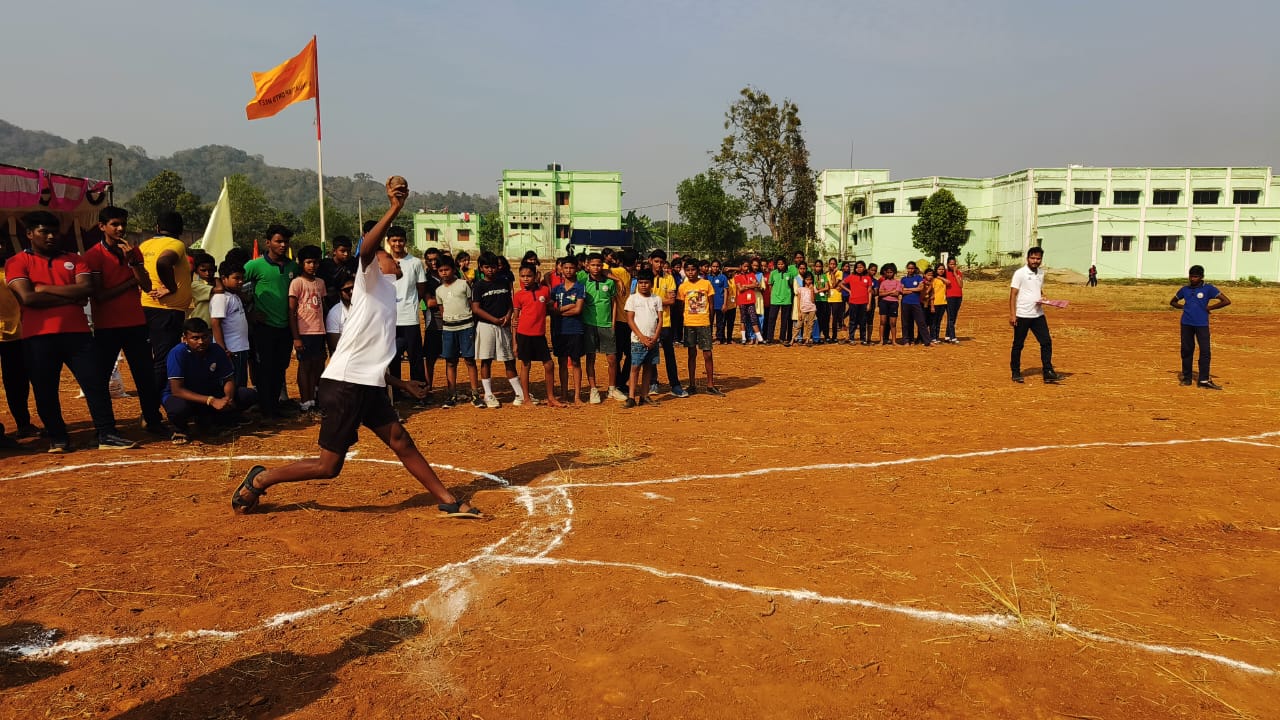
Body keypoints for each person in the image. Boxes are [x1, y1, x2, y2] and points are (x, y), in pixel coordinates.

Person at [232, 181, 480, 519]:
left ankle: (447, 498)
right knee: (328, 466)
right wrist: (394, 207)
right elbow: (366, 249)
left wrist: (401, 383)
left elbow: (371, 358)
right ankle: (262, 479)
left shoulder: (390, 294)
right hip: (346, 386)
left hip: (368, 384)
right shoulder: (370, 280)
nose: (392, 258)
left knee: (400, 441)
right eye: (384, 254)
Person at [5, 211, 137, 451]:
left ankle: (106, 433)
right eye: (44, 231)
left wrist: (44, 288)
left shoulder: (75, 260)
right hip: (38, 337)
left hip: (78, 334)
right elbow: (28, 298)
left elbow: (85, 290)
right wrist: (68, 296)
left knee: (95, 383)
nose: (51, 236)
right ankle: (58, 437)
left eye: (55, 231)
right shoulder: (17, 262)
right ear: (29, 234)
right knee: (45, 389)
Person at [83, 206, 167, 435]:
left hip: (135, 323)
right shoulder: (93, 256)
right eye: (114, 224)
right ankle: (106, 428)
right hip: (107, 326)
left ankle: (152, 420)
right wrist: (132, 282)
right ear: (102, 227)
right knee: (100, 379)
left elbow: (148, 286)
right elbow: (100, 295)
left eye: (123, 224)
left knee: (145, 376)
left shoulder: (133, 252)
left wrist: (133, 262)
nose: (120, 229)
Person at [163, 318, 257, 444]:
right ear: (185, 338)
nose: (201, 342)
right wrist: (211, 401)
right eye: (195, 338)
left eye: (204, 337)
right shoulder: (177, 353)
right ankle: (181, 428)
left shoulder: (216, 350)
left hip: (210, 393)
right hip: (186, 397)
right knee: (178, 409)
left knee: (247, 395)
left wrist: (228, 399)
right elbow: (177, 390)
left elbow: (228, 378)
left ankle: (214, 420)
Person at [243, 224, 300, 419]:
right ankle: (266, 408)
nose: (283, 245)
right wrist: (248, 313)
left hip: (286, 327)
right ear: (268, 243)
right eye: (278, 241)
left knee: (280, 367)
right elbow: (233, 285)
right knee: (264, 368)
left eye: (286, 241)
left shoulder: (293, 267)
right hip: (264, 328)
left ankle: (274, 405)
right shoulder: (254, 266)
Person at [138, 211, 192, 398]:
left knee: (152, 358)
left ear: (157, 228)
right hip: (167, 311)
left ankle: (151, 404)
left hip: (147, 306)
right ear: (181, 230)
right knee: (163, 360)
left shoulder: (145, 245)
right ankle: (151, 407)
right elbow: (164, 262)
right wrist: (170, 288)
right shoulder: (176, 244)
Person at [471, 251, 522, 408]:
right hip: (486, 326)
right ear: (481, 268)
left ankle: (520, 393)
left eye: (493, 267)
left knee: (508, 359)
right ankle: (488, 394)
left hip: (503, 326)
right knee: (486, 360)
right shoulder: (478, 286)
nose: (490, 270)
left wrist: (508, 316)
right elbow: (476, 308)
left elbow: (509, 303)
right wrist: (493, 319)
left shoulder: (503, 282)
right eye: (486, 267)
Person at [0, 238, 38, 444]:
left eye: (1, 243)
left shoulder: (12, 268)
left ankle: (23, 424)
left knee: (17, 381)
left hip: (15, 333)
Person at [1171, 264, 1231, 390]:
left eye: (1196, 277)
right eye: (1191, 276)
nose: (1193, 279)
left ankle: (1203, 379)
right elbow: (1173, 302)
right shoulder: (1185, 289)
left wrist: (1210, 307)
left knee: (1205, 351)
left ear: (1202, 277)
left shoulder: (1209, 288)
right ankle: (1187, 378)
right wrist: (1183, 307)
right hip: (1186, 323)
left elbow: (1226, 301)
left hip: (1202, 324)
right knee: (1187, 350)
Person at [512, 265, 563, 407]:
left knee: (549, 364)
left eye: (529, 276)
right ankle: (526, 398)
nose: (526, 279)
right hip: (524, 335)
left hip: (539, 335)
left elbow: (549, 307)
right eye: (522, 276)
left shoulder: (545, 291)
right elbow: (515, 320)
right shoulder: (518, 295)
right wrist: (514, 342)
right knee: (525, 365)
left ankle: (551, 397)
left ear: (536, 276)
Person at [434, 255, 481, 408]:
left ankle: (475, 393)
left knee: (469, 360)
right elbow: (442, 310)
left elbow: (470, 303)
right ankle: (451, 394)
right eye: (440, 271)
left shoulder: (463, 284)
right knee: (450, 361)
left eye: (446, 269)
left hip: (466, 326)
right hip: (449, 328)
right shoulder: (439, 290)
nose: (444, 273)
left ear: (453, 269)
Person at [1009, 246, 1060, 384]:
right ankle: (1015, 372)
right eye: (1033, 258)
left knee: (1046, 342)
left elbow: (1038, 289)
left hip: (1038, 314)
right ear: (1027, 258)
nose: (1035, 261)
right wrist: (1013, 315)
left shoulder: (1041, 273)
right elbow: (1013, 294)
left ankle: (1048, 372)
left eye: (1038, 258)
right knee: (1018, 344)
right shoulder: (1020, 273)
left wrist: (1043, 297)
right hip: (1022, 314)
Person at [386, 227, 427, 398]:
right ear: (388, 242)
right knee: (393, 357)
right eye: (394, 240)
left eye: (400, 240)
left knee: (415, 358)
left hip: (409, 317)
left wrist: (412, 305)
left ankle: (420, 392)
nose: (397, 244)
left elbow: (421, 288)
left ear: (405, 241)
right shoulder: (383, 262)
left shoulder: (415, 262)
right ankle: (397, 392)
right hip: (389, 318)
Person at [289, 245, 328, 413]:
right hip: (304, 332)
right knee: (305, 366)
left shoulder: (320, 283)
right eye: (309, 262)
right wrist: (296, 337)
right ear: (302, 263)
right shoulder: (297, 283)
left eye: (315, 262)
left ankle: (316, 396)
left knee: (319, 364)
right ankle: (306, 401)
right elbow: (291, 311)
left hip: (319, 331)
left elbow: (323, 307)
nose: (312, 266)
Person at [677, 258, 724, 396]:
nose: (690, 273)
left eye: (693, 270)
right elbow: (680, 307)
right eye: (688, 270)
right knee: (691, 354)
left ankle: (710, 385)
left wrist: (710, 322)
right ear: (684, 271)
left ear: (698, 271)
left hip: (704, 323)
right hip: (689, 323)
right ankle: (692, 384)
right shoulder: (682, 287)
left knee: (707, 354)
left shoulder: (706, 284)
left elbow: (711, 305)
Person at [581, 253, 623, 403]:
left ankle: (612, 389)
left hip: (606, 325)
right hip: (589, 324)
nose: (596, 268)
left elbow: (614, 303)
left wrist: (613, 323)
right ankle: (593, 390)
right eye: (593, 265)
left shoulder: (609, 283)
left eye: (599, 265)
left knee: (612, 358)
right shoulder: (582, 279)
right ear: (587, 266)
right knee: (590, 358)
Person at [624, 268, 663, 408]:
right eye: (641, 283)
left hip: (653, 340)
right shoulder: (633, 299)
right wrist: (642, 337)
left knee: (648, 368)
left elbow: (660, 320)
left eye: (646, 283)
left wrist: (655, 337)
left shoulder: (656, 299)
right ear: (637, 283)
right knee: (635, 368)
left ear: (651, 284)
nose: (643, 285)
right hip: (637, 340)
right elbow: (630, 320)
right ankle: (631, 397)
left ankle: (644, 395)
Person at [648, 250, 685, 396]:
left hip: (665, 322)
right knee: (651, 354)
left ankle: (675, 384)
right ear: (650, 260)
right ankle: (653, 382)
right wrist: (660, 301)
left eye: (662, 262)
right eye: (656, 261)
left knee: (669, 353)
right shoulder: (645, 277)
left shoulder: (668, 278)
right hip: (649, 322)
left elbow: (671, 301)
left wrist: (652, 300)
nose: (659, 265)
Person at [550, 256, 586, 404]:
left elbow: (578, 310)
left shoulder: (580, 287)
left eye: (571, 267)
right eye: (566, 268)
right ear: (561, 269)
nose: (568, 270)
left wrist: (560, 311)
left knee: (576, 362)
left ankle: (577, 395)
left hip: (575, 329)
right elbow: (550, 309)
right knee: (562, 362)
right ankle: (564, 394)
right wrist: (567, 307)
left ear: (576, 269)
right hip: (559, 330)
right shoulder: (556, 289)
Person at [211, 260, 252, 388]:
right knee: (232, 384)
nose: (240, 281)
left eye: (242, 278)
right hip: (231, 349)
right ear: (224, 278)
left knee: (240, 382)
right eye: (236, 278)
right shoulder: (221, 298)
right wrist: (223, 350)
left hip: (240, 347)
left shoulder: (234, 295)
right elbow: (215, 323)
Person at [318, 236, 356, 312]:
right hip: (330, 306)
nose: (346, 254)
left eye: (349, 251)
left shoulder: (353, 263)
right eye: (343, 251)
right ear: (334, 251)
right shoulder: (325, 266)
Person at [899, 261, 932, 346]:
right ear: (907, 268)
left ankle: (927, 341)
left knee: (921, 322)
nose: (911, 270)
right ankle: (907, 340)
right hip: (905, 302)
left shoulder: (918, 277)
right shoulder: (903, 279)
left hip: (916, 303)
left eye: (912, 268)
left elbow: (920, 288)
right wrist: (913, 289)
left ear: (915, 269)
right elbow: (901, 290)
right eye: (909, 268)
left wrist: (908, 289)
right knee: (906, 322)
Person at [765, 255, 794, 345]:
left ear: (785, 264)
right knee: (772, 319)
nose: (780, 266)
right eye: (779, 264)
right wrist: (772, 295)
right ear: (776, 265)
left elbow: (791, 284)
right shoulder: (773, 273)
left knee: (784, 319)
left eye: (782, 264)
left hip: (786, 299)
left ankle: (782, 338)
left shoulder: (789, 273)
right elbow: (770, 285)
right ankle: (770, 338)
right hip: (775, 299)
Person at [844, 261, 873, 345]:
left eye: (861, 267)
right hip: (853, 302)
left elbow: (870, 291)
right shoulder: (851, 277)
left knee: (863, 321)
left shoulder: (867, 278)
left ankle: (863, 339)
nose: (859, 269)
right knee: (852, 321)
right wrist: (849, 291)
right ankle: (851, 338)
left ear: (864, 267)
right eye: (857, 267)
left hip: (864, 302)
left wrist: (869, 303)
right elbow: (842, 284)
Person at [733, 259, 762, 345]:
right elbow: (740, 289)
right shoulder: (737, 277)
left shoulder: (751, 274)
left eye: (747, 266)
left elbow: (756, 284)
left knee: (753, 318)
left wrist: (746, 285)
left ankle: (759, 337)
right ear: (741, 267)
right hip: (742, 300)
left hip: (751, 300)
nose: (746, 268)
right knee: (743, 319)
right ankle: (743, 338)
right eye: (744, 266)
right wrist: (750, 286)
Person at [325, 276, 355, 354]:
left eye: (354, 288)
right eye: (347, 290)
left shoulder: (364, 307)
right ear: (339, 292)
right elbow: (335, 345)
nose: (351, 291)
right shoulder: (334, 313)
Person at [877, 264, 902, 347]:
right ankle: (881, 341)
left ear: (894, 272)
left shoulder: (897, 282)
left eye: (891, 272)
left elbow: (897, 293)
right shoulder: (883, 282)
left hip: (894, 303)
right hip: (884, 303)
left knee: (893, 323)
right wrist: (891, 292)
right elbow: (880, 294)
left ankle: (894, 341)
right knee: (882, 322)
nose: (889, 274)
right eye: (888, 272)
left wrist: (886, 293)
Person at [941, 256, 964, 343]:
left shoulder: (958, 273)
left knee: (954, 316)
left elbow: (961, 285)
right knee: (951, 317)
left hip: (958, 296)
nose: (952, 265)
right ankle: (953, 336)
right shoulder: (945, 273)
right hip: (949, 296)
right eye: (951, 264)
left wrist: (955, 273)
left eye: (954, 264)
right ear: (947, 264)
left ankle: (947, 335)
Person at [189, 253, 216, 324]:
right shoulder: (196, 284)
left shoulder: (215, 283)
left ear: (215, 269)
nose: (207, 273)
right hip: (201, 321)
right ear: (196, 271)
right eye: (203, 270)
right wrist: (217, 279)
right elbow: (219, 290)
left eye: (211, 270)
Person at [796, 272, 817, 345]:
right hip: (803, 309)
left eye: (810, 280)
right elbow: (798, 300)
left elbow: (813, 300)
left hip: (812, 308)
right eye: (807, 279)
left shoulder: (813, 288)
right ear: (804, 280)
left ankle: (808, 339)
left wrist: (811, 291)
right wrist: (799, 312)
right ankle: (792, 339)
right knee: (799, 324)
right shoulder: (800, 289)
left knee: (810, 325)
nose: (809, 281)